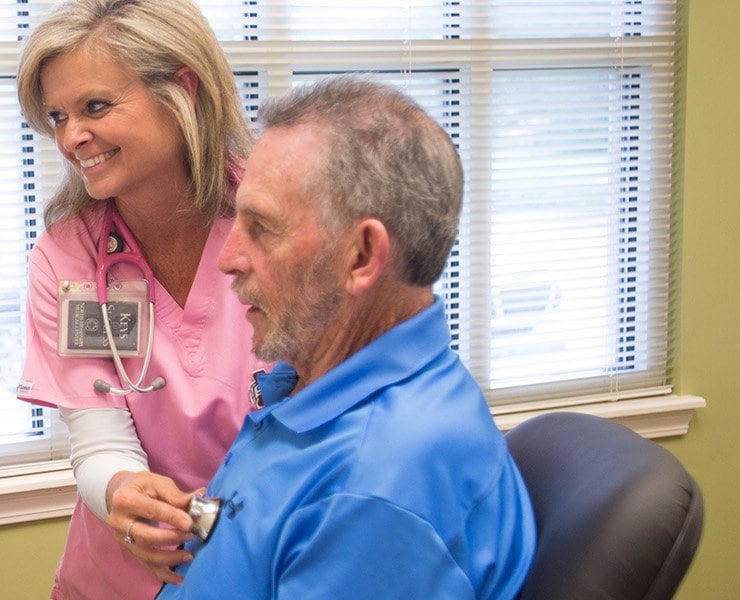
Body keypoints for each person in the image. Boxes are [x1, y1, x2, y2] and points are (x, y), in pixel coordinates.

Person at [151, 75, 538, 599]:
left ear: (360, 257)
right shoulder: (316, 385)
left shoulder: (375, 484)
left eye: (262, 228)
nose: (228, 259)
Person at [12, 1, 266, 598]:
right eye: (56, 116)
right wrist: (122, 492)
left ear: (183, 90)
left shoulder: (276, 223)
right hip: (129, 572)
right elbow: (99, 440)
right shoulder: (71, 257)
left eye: (96, 106)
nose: (71, 137)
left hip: (267, 554)